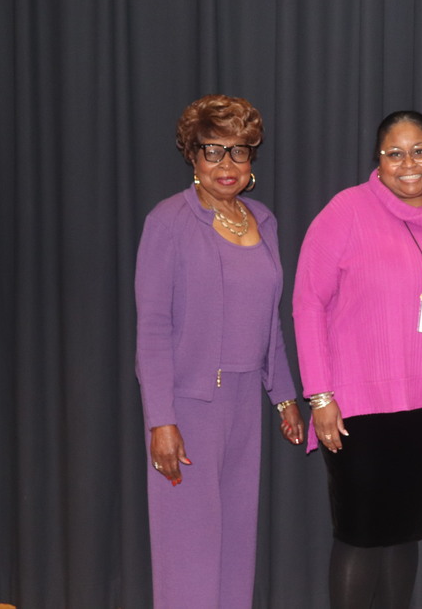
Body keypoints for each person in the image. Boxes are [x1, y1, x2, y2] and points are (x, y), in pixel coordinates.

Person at [292, 110, 422, 609]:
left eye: (419, 150)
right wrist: (320, 395)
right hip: (355, 405)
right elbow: (308, 302)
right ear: (378, 161)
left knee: (404, 531)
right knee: (360, 534)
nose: (408, 163)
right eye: (394, 153)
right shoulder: (345, 211)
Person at [134, 94, 305, 609]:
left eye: (239, 151)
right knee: (187, 552)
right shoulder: (169, 222)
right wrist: (160, 420)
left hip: (243, 406)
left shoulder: (264, 221)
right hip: (188, 408)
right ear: (192, 155)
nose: (227, 165)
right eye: (214, 151)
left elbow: (269, 319)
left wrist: (284, 396)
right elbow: (152, 328)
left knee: (235, 549)